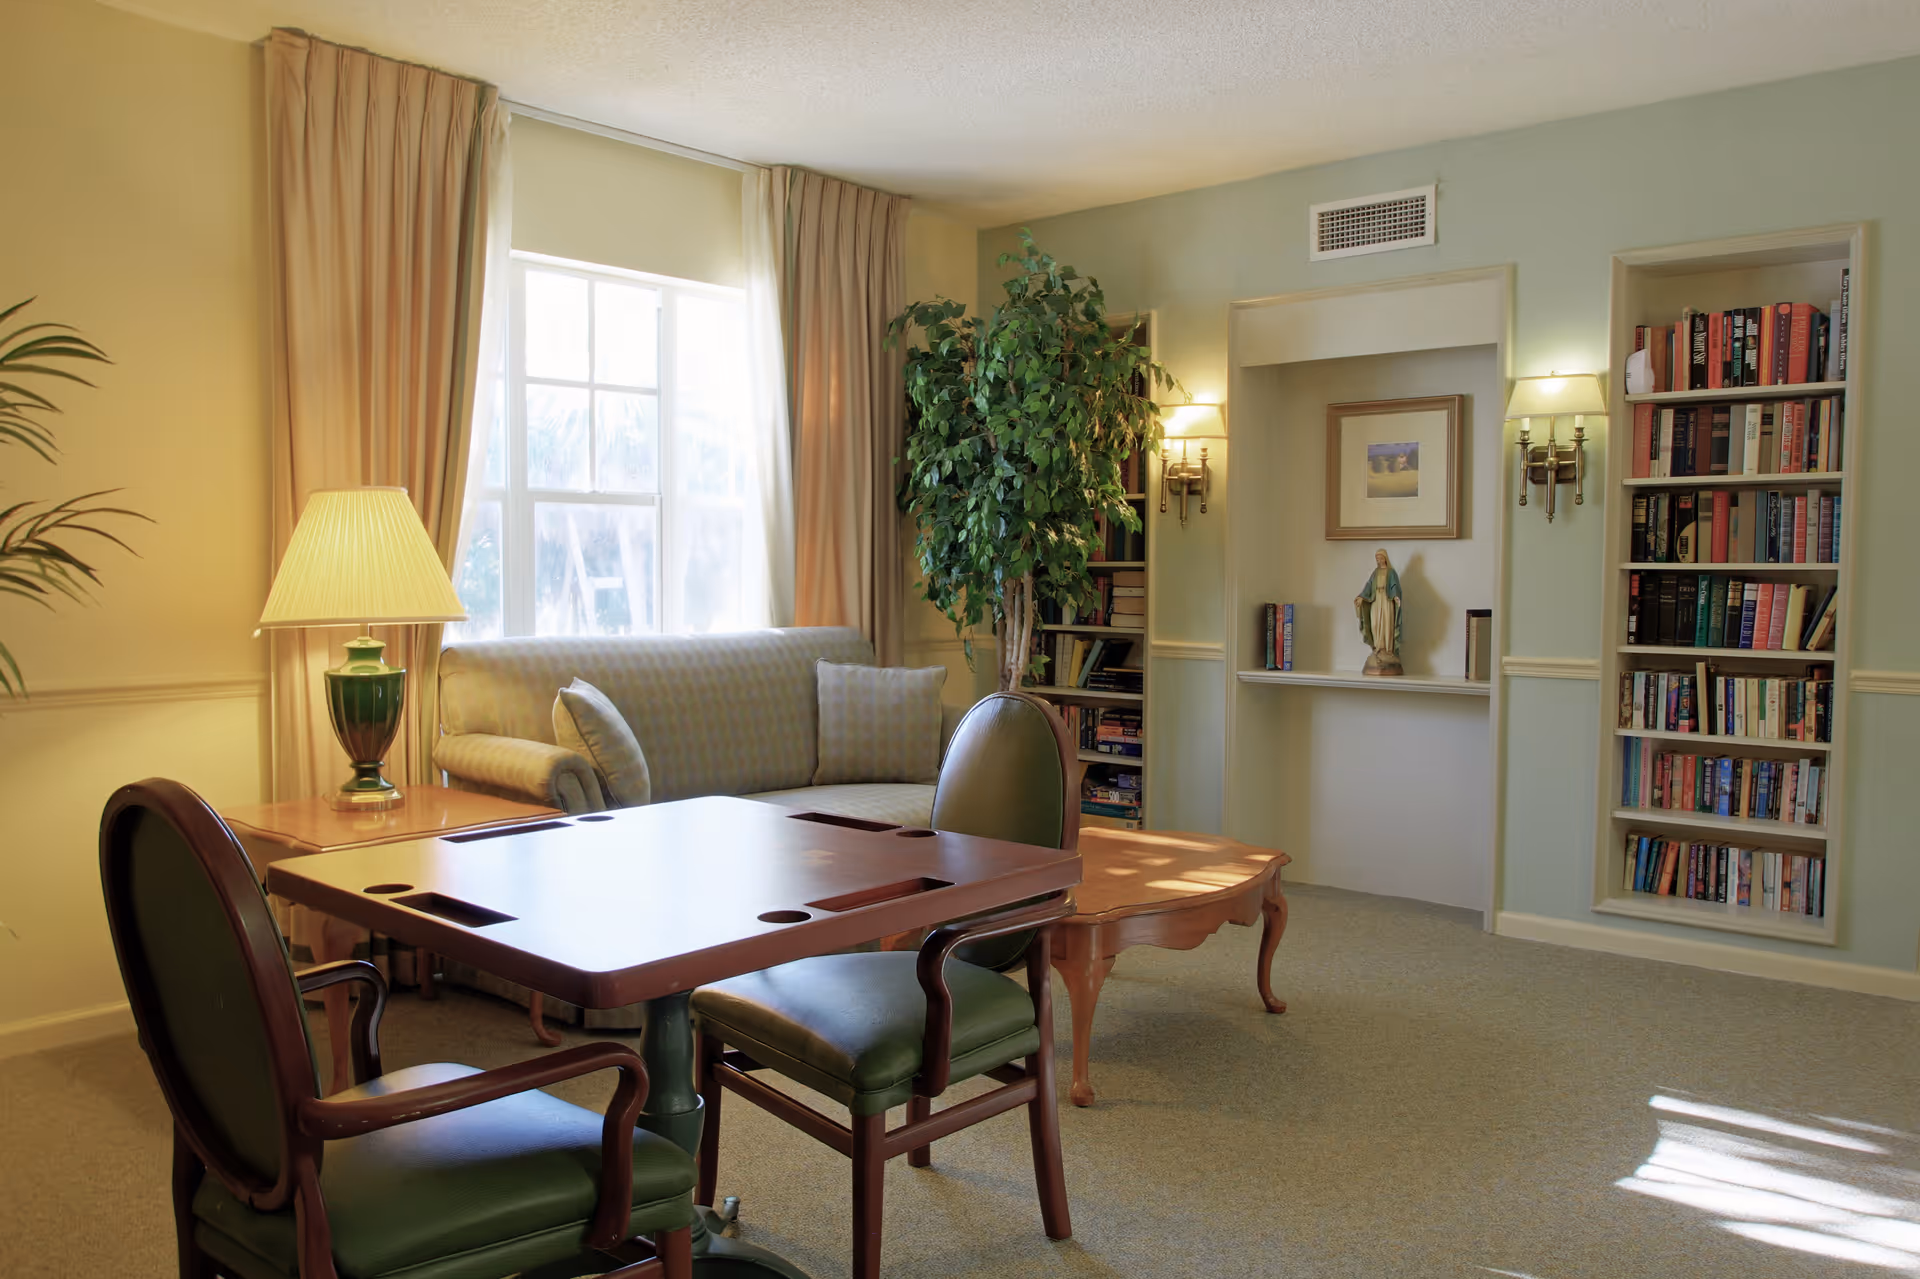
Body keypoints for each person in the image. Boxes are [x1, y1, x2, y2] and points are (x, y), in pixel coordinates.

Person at [1353, 549, 1403, 674]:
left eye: (1380, 558)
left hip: (1386, 601)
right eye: (1377, 558)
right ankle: (1378, 648)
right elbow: (1369, 586)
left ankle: (1388, 650)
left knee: (1386, 624)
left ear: (1385, 558)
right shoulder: (1375, 573)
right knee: (1375, 624)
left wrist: (1396, 596)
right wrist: (1361, 597)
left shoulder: (1391, 572)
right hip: (1376, 602)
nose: (1379, 560)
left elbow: (1395, 586)